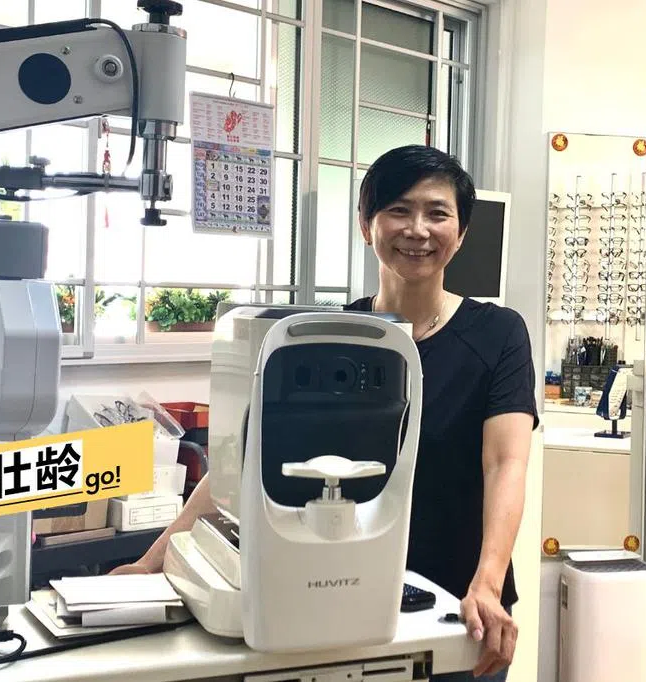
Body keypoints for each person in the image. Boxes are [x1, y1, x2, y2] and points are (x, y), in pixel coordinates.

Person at [110, 145, 538, 681]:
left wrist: (488, 583)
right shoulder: (331, 336)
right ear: (366, 224)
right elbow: (241, 462)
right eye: (399, 210)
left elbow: (505, 463)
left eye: (437, 213)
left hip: (458, 606)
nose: (418, 230)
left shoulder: (498, 334)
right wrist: (150, 564)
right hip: (336, 602)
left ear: (462, 231)